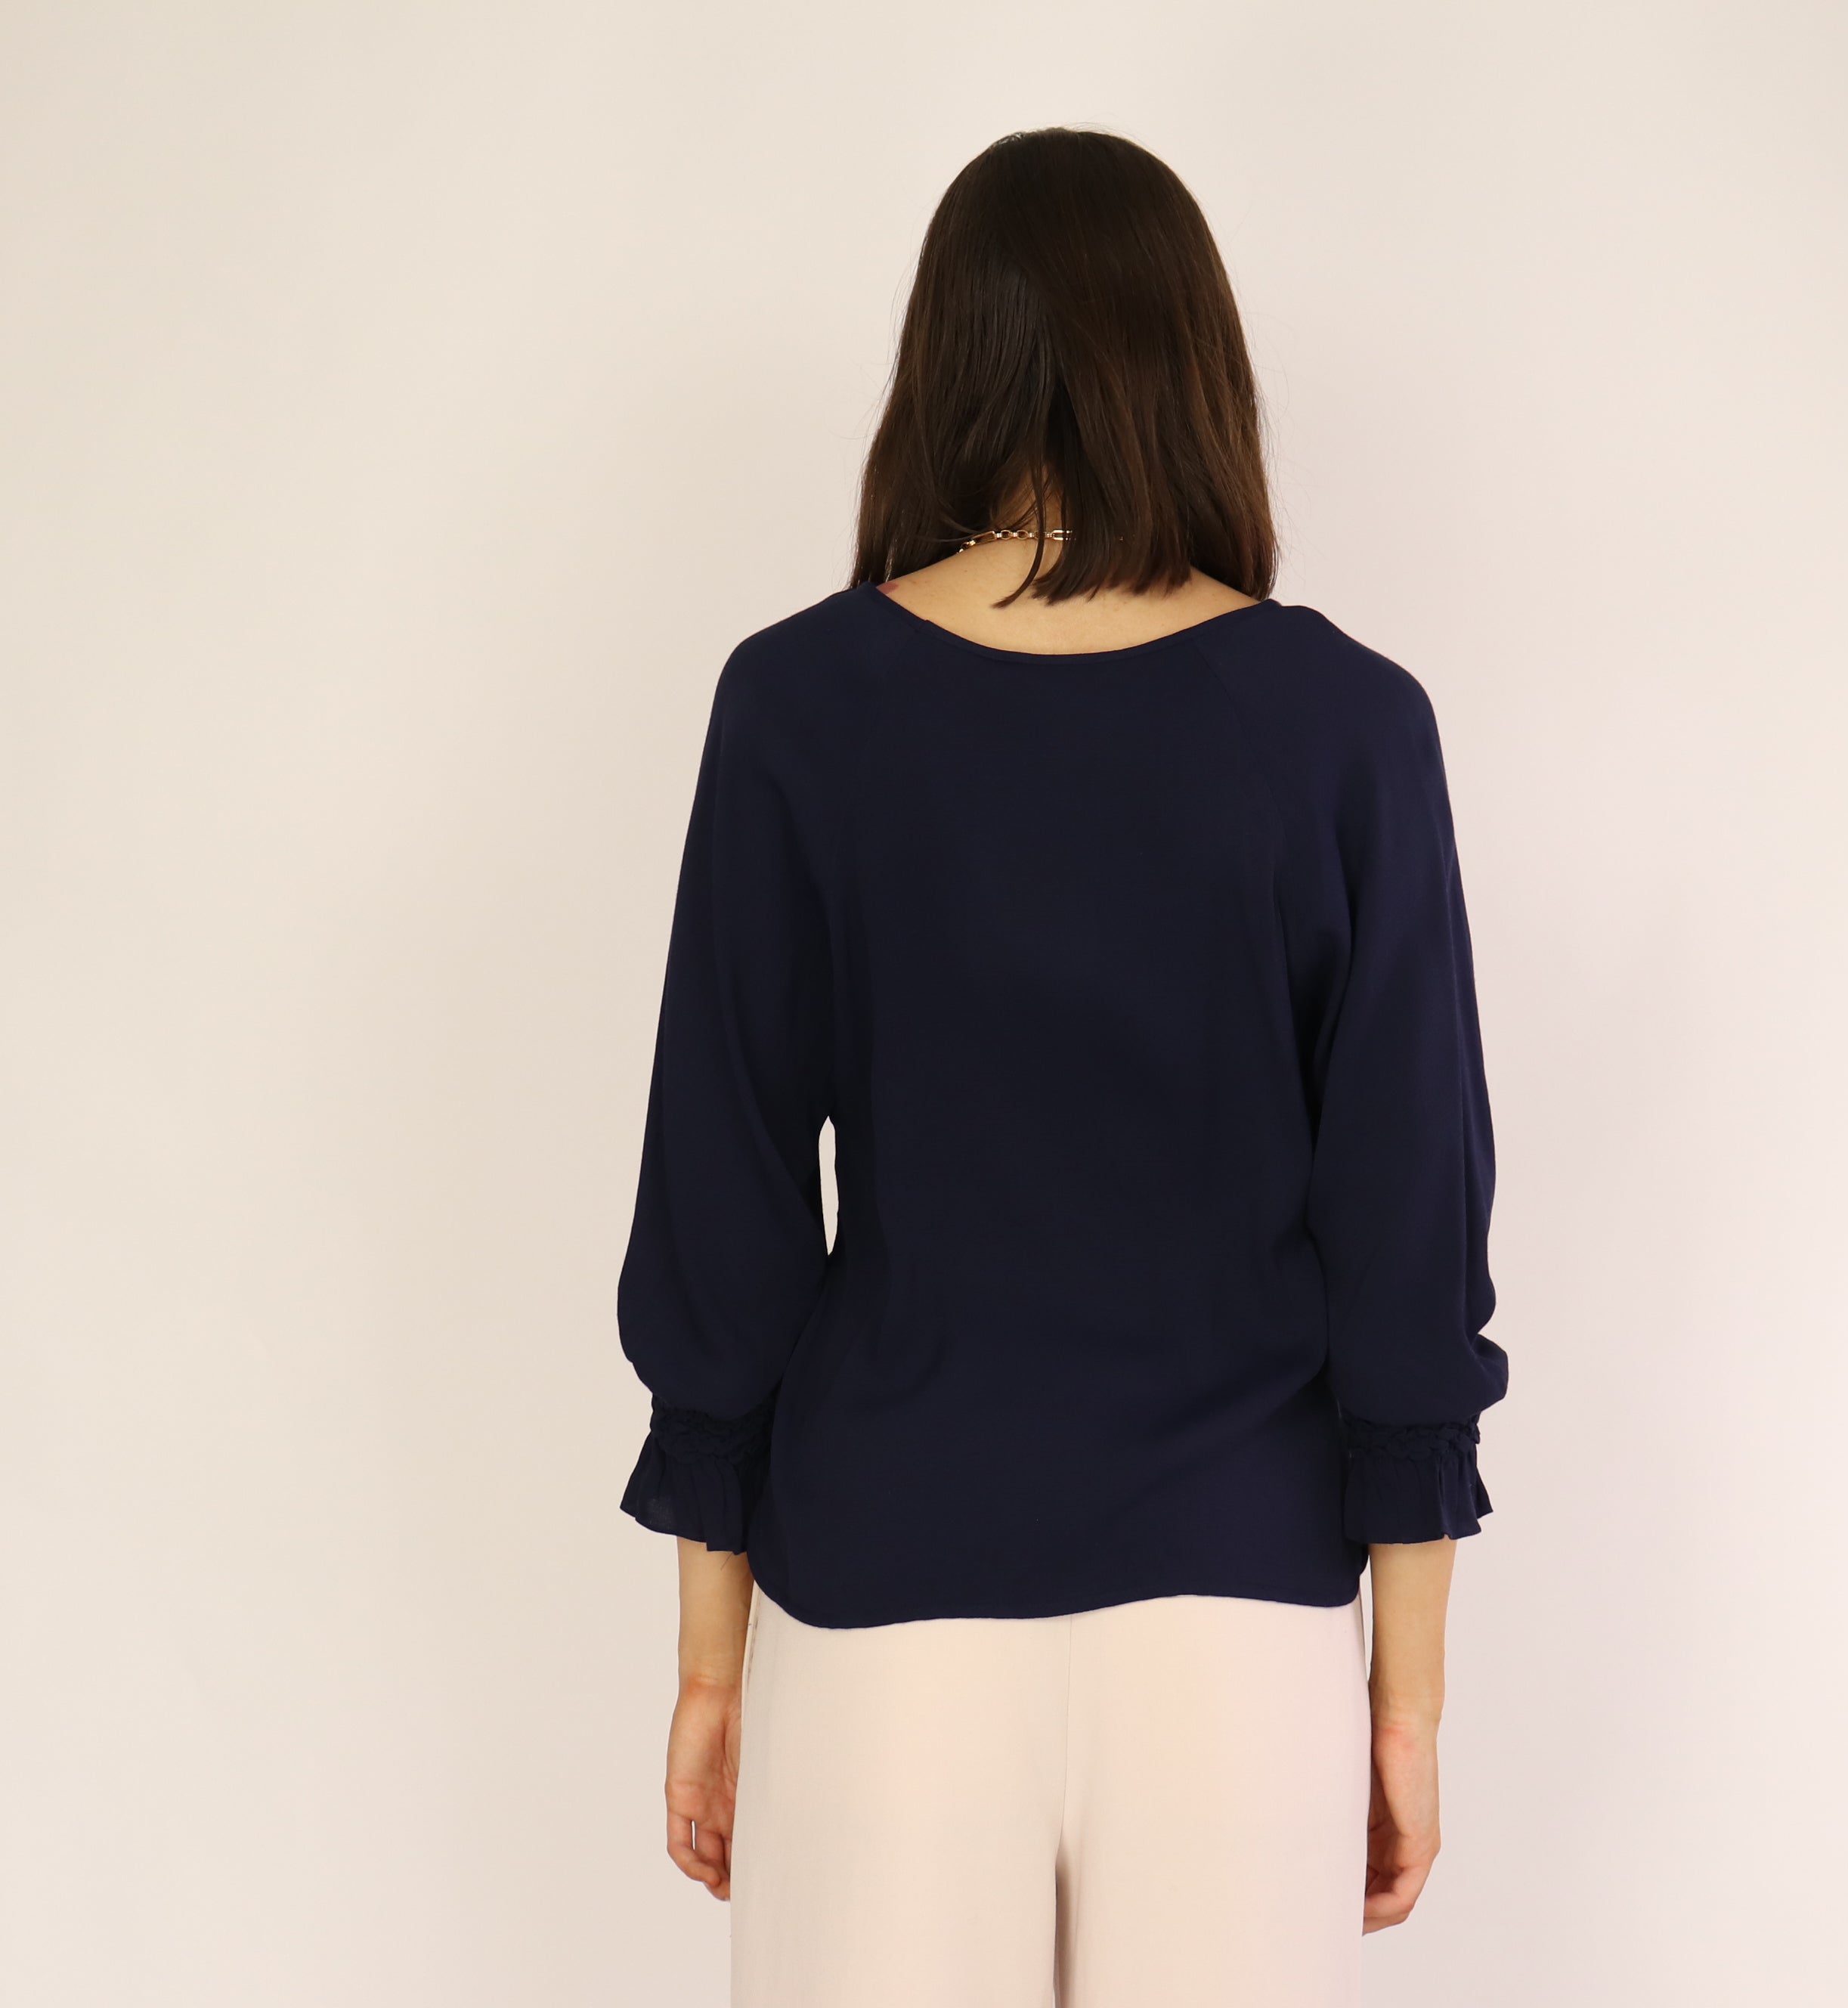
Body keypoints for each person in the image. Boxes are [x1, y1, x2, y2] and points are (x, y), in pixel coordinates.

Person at [614, 126, 1508, 2008]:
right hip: (1237, 1619)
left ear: (941, 361)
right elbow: (1406, 1232)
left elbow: (722, 1200)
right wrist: (1404, 1697)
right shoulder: (1344, 727)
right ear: (1194, 366)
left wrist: (710, 1657)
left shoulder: (798, 706)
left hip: (880, 1597)